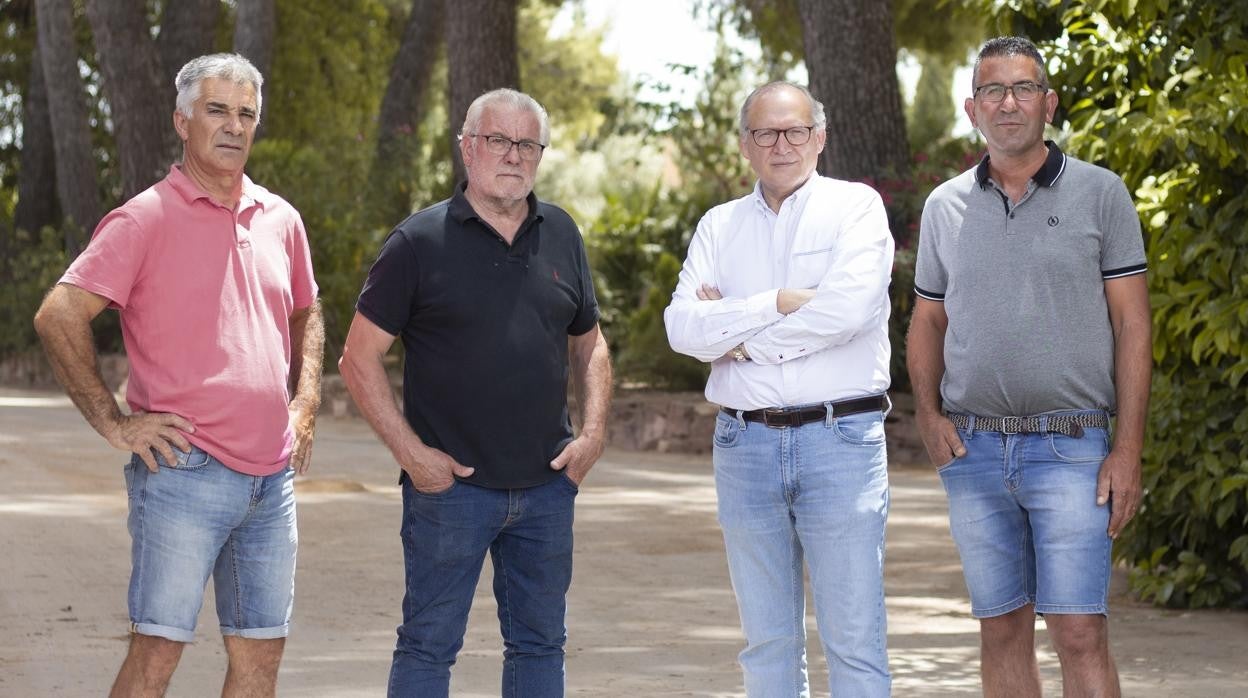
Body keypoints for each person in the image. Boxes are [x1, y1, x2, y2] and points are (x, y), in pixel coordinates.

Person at [32, 53, 323, 696]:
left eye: (246, 113)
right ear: (181, 120)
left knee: (260, 660)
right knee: (158, 652)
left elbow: (308, 310)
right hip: (183, 473)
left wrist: (304, 402)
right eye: (216, 109)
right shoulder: (144, 218)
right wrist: (114, 422)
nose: (234, 125)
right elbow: (59, 314)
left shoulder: (282, 219)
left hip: (270, 483)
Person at [338, 88, 612, 697]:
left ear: (539, 154)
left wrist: (592, 436)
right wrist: (413, 457)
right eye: (498, 140)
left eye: (526, 144)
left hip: (546, 489)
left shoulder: (562, 232)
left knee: (540, 646)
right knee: (428, 647)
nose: (513, 155)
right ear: (468, 148)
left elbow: (589, 343)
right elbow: (358, 359)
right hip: (450, 493)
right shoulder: (418, 242)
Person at [907, 36, 1151, 697]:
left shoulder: (1101, 194)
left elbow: (1133, 324)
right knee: (1002, 628)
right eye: (993, 90)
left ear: (1049, 103)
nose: (1007, 103)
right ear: (971, 108)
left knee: (1079, 630)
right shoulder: (944, 207)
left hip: (1073, 445)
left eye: (1021, 89)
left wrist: (1127, 447)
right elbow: (928, 319)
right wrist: (928, 417)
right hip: (974, 451)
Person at [664, 81, 895, 697]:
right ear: (746, 145)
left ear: (820, 137)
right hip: (745, 446)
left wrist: (736, 337)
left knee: (854, 639)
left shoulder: (857, 208)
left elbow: (847, 312)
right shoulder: (719, 225)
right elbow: (682, 326)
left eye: (795, 130)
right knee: (765, 644)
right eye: (765, 132)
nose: (781, 144)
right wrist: (776, 303)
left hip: (840, 439)